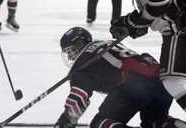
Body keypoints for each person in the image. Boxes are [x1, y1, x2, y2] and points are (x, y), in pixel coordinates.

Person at [104, 0, 186, 112]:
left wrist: (139, 20)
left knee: (173, 80)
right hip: (178, 22)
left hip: (178, 26)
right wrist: (132, 22)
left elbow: (160, 0)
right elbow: (158, 2)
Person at [54, 27, 186, 128]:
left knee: (99, 124)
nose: (70, 57)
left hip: (133, 84)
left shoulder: (81, 65)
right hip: (159, 80)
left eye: (70, 51)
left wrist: (66, 121)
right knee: (153, 122)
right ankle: (170, 124)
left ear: (80, 45)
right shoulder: (105, 44)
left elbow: (78, 99)